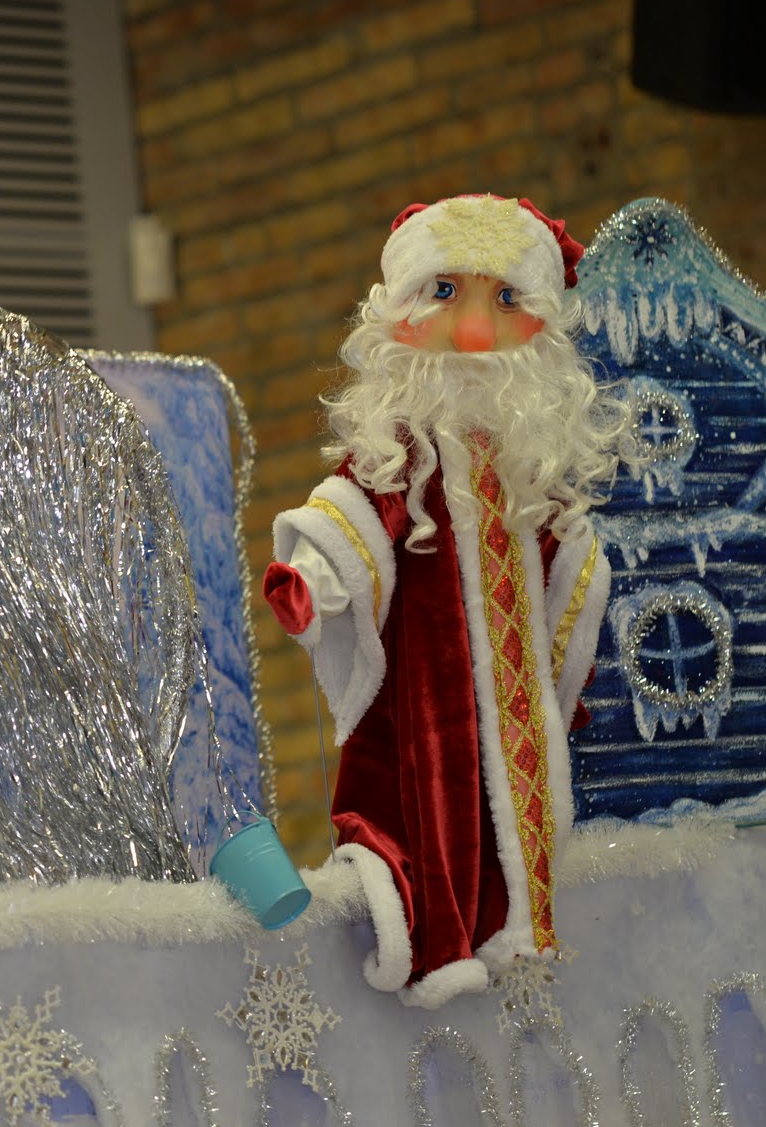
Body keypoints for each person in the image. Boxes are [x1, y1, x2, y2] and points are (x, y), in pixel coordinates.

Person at [266, 194, 622, 1007]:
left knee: (512, 819)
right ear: (399, 309)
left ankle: (511, 930)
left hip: (516, 703)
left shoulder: (526, 464)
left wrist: (578, 572)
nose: (474, 329)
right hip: (428, 698)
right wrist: (312, 582)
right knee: (436, 811)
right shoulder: (403, 453)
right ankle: (441, 945)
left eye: (505, 298)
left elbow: (562, 561)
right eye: (446, 292)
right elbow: (352, 518)